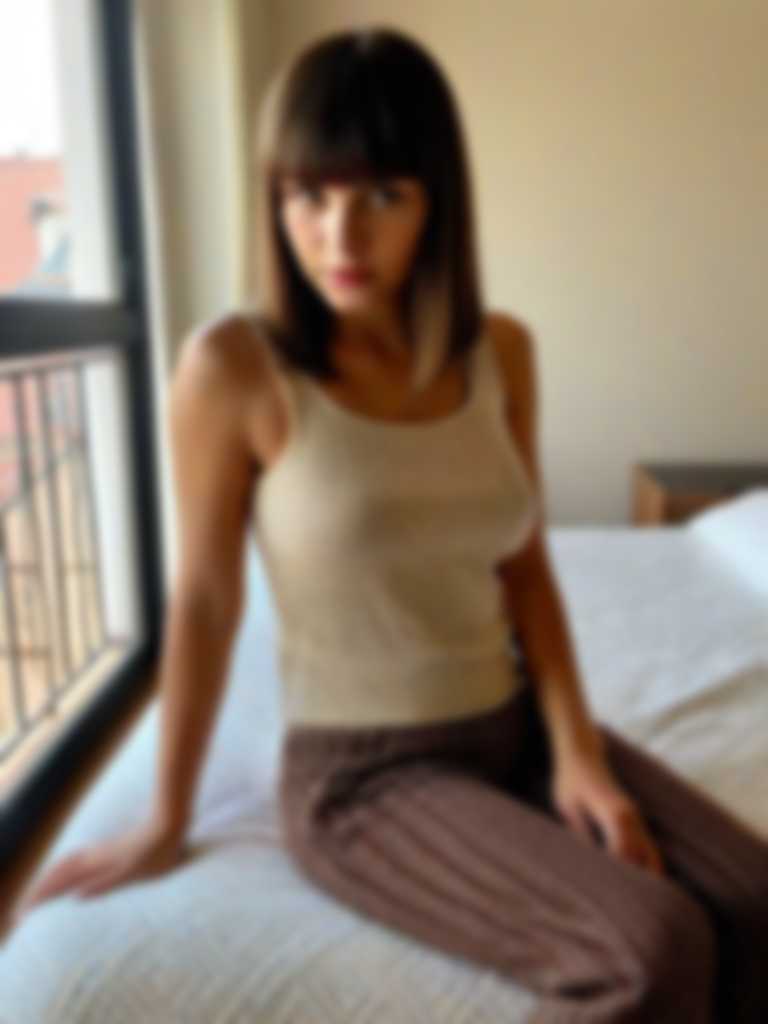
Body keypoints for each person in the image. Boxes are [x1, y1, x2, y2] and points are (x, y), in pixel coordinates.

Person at [11, 24, 768, 1024]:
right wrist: (166, 814)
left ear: (436, 201)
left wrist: (577, 749)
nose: (339, 236)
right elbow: (203, 600)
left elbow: (525, 567)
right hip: (361, 777)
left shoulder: (501, 352)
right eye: (307, 195)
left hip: (508, 728)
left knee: (754, 900)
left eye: (381, 195)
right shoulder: (235, 367)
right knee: (653, 948)